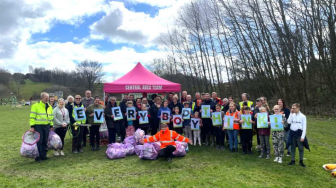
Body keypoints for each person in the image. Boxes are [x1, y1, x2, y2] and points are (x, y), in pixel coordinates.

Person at [29, 92, 54, 162]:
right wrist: (32, 126)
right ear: (41, 98)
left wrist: (51, 125)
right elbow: (32, 117)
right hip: (38, 126)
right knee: (39, 142)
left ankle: (43, 155)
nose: (47, 99)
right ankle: (37, 157)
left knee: (45, 141)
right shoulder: (35, 106)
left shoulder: (49, 106)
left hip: (46, 125)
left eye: (48, 98)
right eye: (46, 98)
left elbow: (51, 117)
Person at [287, 103, 307, 167]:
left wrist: (302, 136)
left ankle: (301, 161)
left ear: (298, 108)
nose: (293, 109)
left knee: (300, 148)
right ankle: (292, 160)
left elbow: (304, 127)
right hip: (292, 133)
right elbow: (288, 122)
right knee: (293, 147)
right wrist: (290, 113)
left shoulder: (303, 116)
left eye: (294, 108)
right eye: (292, 108)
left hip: (299, 133)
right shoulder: (292, 115)